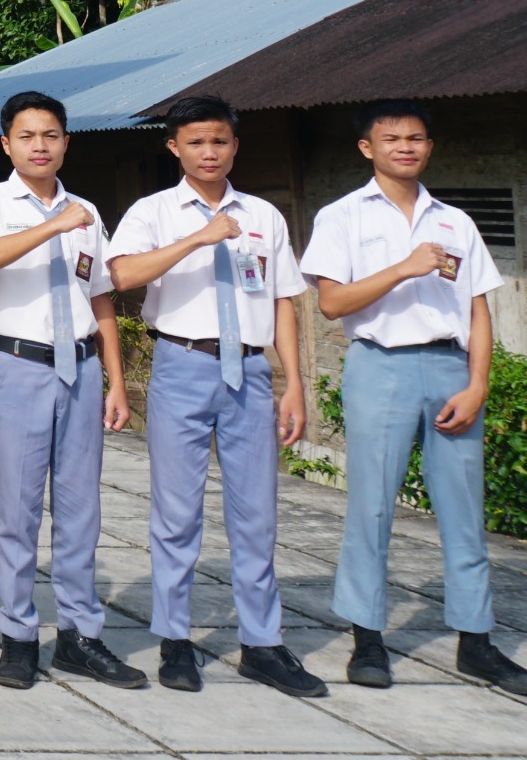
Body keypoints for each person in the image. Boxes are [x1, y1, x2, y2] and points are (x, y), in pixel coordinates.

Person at [300, 100, 527, 696]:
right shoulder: (342, 216)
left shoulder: (454, 220)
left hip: (451, 369)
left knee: (463, 508)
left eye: (417, 138)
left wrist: (478, 385)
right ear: (366, 148)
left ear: (430, 146)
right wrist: (403, 267)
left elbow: (479, 309)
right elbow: (333, 303)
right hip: (381, 368)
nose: (407, 146)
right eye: (393, 137)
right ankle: (368, 638)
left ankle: (476, 641)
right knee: (372, 506)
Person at [106, 93, 322, 697]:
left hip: (251, 372)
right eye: (196, 142)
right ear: (173, 147)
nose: (209, 152)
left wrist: (294, 384)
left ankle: (263, 643)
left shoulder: (264, 215)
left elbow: (284, 299)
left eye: (220, 141)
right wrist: (199, 239)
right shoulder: (153, 212)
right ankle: (175, 642)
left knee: (256, 513)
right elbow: (121, 275)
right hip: (182, 364)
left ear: (235, 145)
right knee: (177, 515)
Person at [0, 92, 144, 692]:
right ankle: (17, 636)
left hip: (82, 367)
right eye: (28, 135)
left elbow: (101, 296)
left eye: (52, 135)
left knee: (81, 509)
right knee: (18, 508)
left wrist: (116, 379)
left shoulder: (85, 208)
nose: (41, 145)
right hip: (20, 367)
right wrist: (49, 227)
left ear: (66, 142)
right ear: (6, 143)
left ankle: (81, 636)